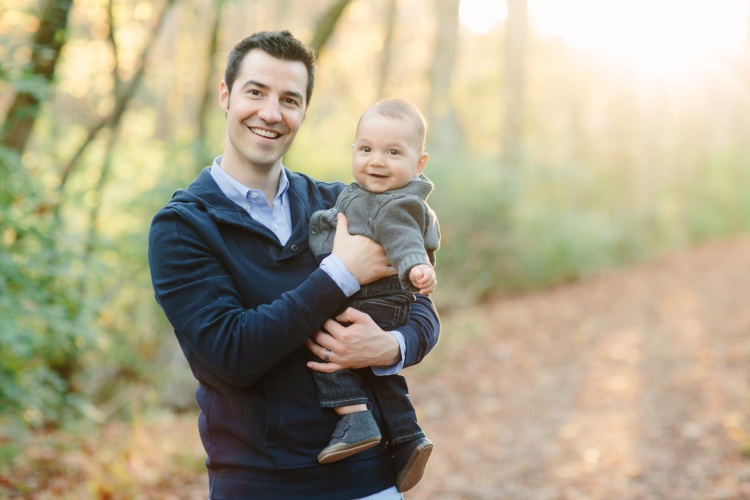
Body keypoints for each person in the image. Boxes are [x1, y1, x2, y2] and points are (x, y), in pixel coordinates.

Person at [147, 30, 440, 500]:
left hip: (369, 480)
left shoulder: (343, 204)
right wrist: (341, 274)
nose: (270, 113)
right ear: (225, 95)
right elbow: (232, 354)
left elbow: (419, 309)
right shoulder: (184, 227)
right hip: (260, 484)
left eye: (289, 99)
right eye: (255, 92)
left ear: (303, 112)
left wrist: (387, 346)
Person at [308, 98, 440, 493]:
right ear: (353, 150)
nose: (377, 161)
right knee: (379, 373)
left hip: (376, 301)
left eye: (393, 152)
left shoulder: (395, 203)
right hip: (385, 304)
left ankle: (354, 416)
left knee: (314, 333)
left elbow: (403, 236)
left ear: (419, 163)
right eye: (366, 149)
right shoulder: (362, 193)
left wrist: (416, 266)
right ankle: (407, 434)